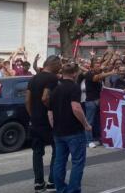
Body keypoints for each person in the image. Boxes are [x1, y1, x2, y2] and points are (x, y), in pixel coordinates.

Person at [48, 62, 91, 193]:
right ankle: (73, 190)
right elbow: (76, 107)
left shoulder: (55, 89)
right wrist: (85, 124)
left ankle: (60, 189)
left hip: (58, 131)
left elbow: (50, 113)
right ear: (74, 73)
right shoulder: (74, 87)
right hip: (74, 131)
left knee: (59, 161)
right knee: (77, 162)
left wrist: (54, 127)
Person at [26, 55, 61, 193]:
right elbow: (45, 97)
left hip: (35, 121)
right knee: (57, 150)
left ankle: (39, 183)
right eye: (59, 64)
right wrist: (50, 109)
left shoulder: (34, 78)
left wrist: (32, 115)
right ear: (53, 64)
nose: (60, 67)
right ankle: (52, 182)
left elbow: (27, 100)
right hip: (49, 122)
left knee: (37, 153)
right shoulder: (52, 78)